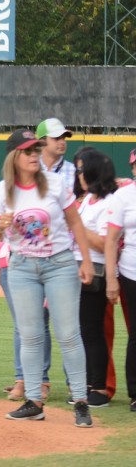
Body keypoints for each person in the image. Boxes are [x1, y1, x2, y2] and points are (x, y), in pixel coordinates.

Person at [0, 129, 95, 428]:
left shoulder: (54, 183)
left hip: (60, 264)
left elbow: (75, 222)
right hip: (21, 266)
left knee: (68, 334)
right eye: (28, 151)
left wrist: (85, 260)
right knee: (30, 336)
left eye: (36, 150)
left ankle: (81, 402)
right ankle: (34, 402)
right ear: (14, 156)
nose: (35, 155)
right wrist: (0, 226)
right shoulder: (3, 190)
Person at [72, 149, 119, 408]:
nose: (78, 174)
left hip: (97, 270)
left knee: (93, 331)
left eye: (82, 170)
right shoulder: (89, 199)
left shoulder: (108, 202)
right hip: (79, 267)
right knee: (83, 331)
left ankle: (99, 387)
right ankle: (88, 384)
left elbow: (103, 243)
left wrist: (76, 224)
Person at [104, 147, 136, 413]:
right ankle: (135, 393)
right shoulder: (124, 196)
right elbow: (112, 239)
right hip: (131, 271)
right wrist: (111, 278)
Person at [36, 118, 76, 191]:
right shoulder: (31, 169)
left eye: (63, 138)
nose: (62, 142)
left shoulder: (74, 171)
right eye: (57, 138)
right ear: (42, 141)